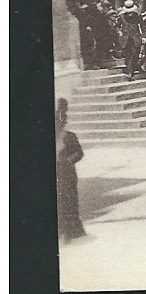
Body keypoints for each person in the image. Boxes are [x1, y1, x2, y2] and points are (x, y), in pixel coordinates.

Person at [56, 99, 86, 241]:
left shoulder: (69, 136)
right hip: (57, 175)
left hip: (67, 175)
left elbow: (79, 153)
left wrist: (67, 161)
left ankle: (72, 232)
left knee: (69, 202)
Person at [117, 0, 144, 79]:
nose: (130, 13)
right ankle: (129, 71)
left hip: (135, 38)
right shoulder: (121, 17)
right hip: (126, 38)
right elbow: (117, 26)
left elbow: (143, 26)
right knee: (128, 55)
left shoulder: (137, 16)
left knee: (136, 53)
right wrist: (119, 31)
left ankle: (134, 67)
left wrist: (144, 36)